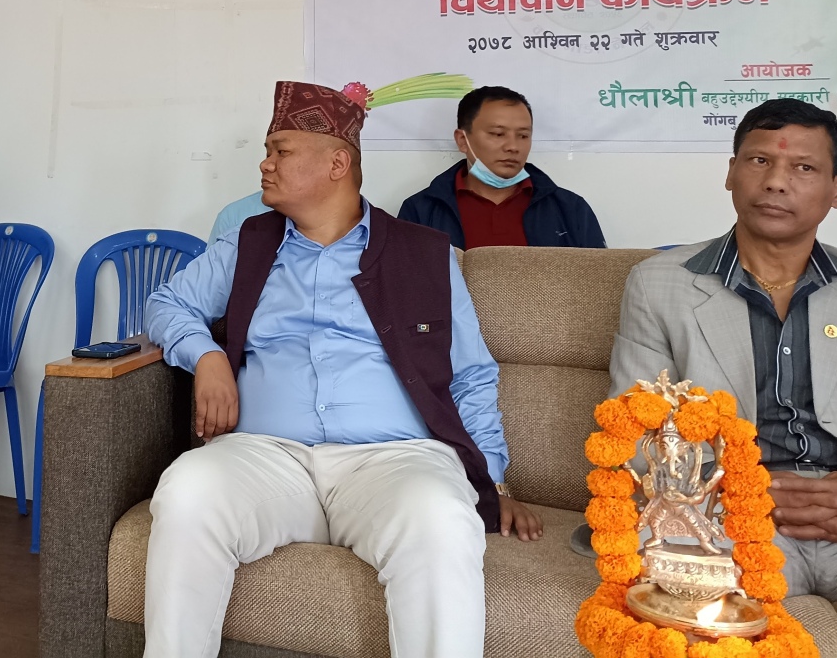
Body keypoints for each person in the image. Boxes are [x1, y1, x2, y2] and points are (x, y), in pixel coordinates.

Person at [143, 80, 540, 658]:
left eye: (281, 151)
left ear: (337, 164)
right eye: (268, 150)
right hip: (266, 456)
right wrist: (205, 356)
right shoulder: (246, 243)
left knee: (439, 516)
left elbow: (471, 375)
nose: (265, 164)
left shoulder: (424, 253)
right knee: (188, 489)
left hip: (395, 459)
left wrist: (494, 480)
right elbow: (166, 304)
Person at [611, 98, 837, 599]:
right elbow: (638, 438)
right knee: (666, 588)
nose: (776, 182)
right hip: (728, 515)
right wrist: (739, 489)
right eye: (760, 160)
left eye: (804, 167)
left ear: (836, 190)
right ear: (731, 172)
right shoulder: (659, 284)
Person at [398, 85, 605, 249]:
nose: (513, 147)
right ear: (462, 140)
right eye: (498, 134)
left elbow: (598, 282)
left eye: (523, 136)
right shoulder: (420, 212)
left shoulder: (570, 209)